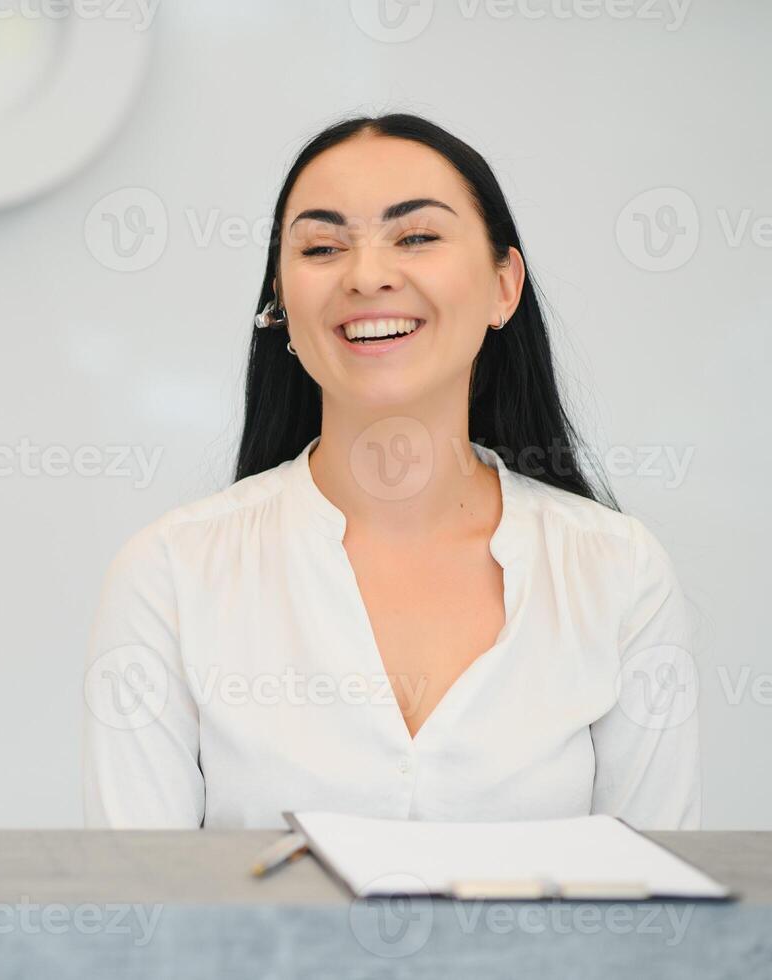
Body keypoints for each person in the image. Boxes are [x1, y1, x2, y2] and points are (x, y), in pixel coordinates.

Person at [83, 113, 701, 831]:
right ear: (280, 303)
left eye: (416, 237)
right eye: (321, 246)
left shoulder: (618, 572)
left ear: (504, 286)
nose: (367, 275)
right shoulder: (168, 576)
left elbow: (659, 914)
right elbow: (141, 916)